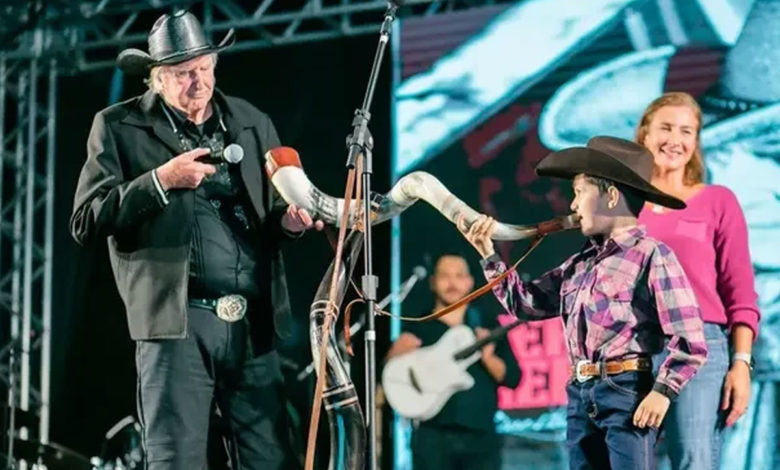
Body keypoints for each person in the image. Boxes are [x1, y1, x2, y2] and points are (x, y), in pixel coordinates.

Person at [69, 10, 322, 470]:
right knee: (176, 460)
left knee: (271, 458)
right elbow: (86, 220)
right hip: (177, 326)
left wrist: (290, 225)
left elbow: (274, 215)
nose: (198, 82)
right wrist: (161, 181)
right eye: (184, 74)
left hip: (251, 325)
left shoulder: (249, 120)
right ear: (157, 79)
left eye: (205, 68)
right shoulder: (118, 127)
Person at [458, 136, 708, 470]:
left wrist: (663, 391)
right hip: (580, 393)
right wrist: (488, 254)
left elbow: (690, 339)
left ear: (611, 196)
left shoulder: (651, 255)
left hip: (626, 392)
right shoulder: (579, 263)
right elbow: (525, 304)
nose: (572, 206)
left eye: (579, 192)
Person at [635, 92, 760, 470]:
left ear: (695, 142)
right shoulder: (621, 204)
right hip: (630, 347)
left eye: (686, 131)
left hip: (699, 346)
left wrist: (741, 363)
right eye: (666, 128)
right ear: (644, 134)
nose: (676, 139)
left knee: (694, 460)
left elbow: (740, 290)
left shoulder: (717, 201)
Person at [385, 254, 521, 470]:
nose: (452, 283)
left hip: (481, 438)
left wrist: (488, 357)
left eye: (459, 276)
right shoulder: (418, 327)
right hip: (432, 437)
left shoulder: (486, 325)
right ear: (433, 282)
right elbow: (391, 379)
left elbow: (513, 378)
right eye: (444, 276)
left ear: (470, 282)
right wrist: (392, 357)